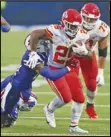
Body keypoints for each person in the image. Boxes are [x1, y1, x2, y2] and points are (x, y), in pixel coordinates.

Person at [27, 9, 91, 133]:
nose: (73, 29)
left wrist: (85, 52)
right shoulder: (55, 31)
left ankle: (73, 127)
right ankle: (49, 109)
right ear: (64, 23)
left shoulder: (83, 34)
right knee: (65, 98)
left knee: (79, 97)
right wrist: (33, 53)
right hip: (54, 67)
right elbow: (35, 34)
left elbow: (89, 55)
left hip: (69, 68)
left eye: (76, 26)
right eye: (71, 26)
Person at [1, 39, 72, 128]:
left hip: (23, 87)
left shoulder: (40, 55)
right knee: (6, 117)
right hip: (12, 87)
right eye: (46, 48)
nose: (48, 50)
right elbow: (51, 75)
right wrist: (68, 68)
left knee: (31, 102)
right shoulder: (32, 58)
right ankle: (8, 108)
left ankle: (14, 106)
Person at [71, 3, 110, 119]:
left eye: (92, 19)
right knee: (74, 85)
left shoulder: (102, 28)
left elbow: (102, 50)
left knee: (92, 84)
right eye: (87, 18)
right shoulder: (74, 22)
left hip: (88, 55)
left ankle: (90, 105)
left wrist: (101, 72)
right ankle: (74, 117)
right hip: (72, 54)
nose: (89, 21)